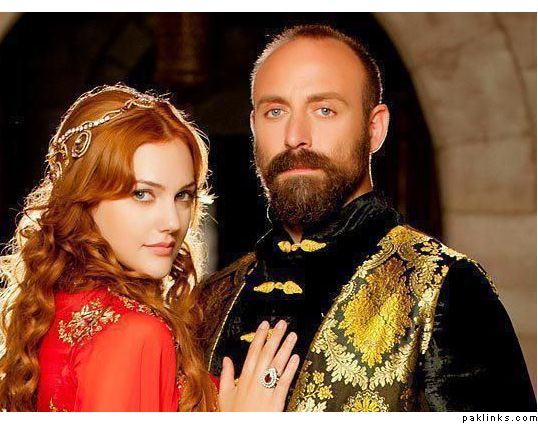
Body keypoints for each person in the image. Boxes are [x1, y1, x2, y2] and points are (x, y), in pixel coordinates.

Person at [198, 25, 537, 412]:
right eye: (275, 112)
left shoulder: (445, 288)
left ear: (375, 129)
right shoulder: (212, 299)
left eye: (324, 110)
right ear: (254, 127)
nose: (295, 136)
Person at [0, 84, 300, 412]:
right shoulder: (137, 334)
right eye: (142, 194)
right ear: (87, 199)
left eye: (183, 196)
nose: (172, 221)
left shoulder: (53, 307)